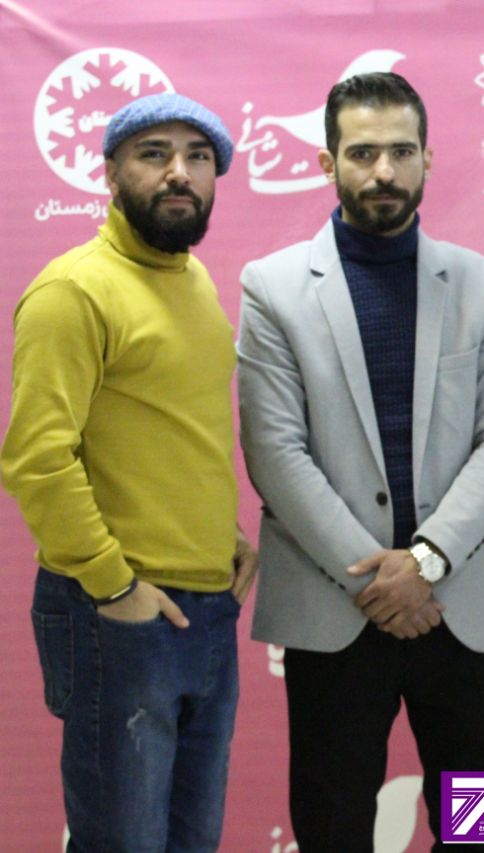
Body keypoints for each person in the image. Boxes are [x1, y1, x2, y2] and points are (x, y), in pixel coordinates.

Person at [236, 71, 484, 852]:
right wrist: (381, 582)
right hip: (337, 609)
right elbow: (274, 451)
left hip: (460, 607)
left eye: (401, 151)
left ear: (428, 159)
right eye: (362, 153)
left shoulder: (480, 282)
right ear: (328, 163)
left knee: (480, 834)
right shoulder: (272, 288)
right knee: (332, 831)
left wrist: (426, 562)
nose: (383, 171)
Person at [2, 92, 257, 852]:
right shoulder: (74, 290)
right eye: (154, 154)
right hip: (116, 610)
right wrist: (113, 586)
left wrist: (222, 534)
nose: (179, 173)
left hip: (206, 607)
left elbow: (169, 434)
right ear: (111, 173)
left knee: (190, 841)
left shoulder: (195, 282)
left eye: (198, 157)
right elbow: (37, 457)